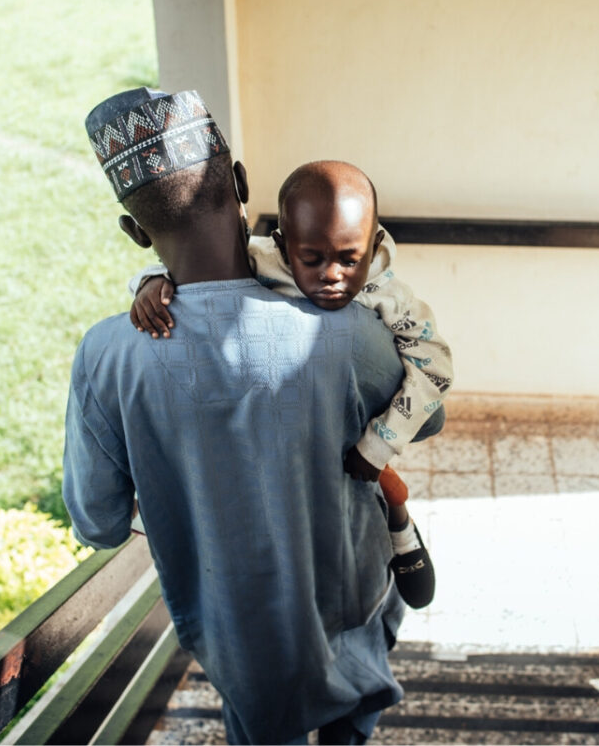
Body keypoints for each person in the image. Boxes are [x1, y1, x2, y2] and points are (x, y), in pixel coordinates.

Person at [63, 87, 445, 745]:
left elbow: (98, 522)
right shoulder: (350, 330)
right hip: (353, 603)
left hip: (240, 637)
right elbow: (427, 417)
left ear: (134, 233)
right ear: (241, 184)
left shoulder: (109, 356)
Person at [127, 160, 453, 609]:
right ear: (284, 244)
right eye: (312, 259)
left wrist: (378, 445)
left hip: (357, 429)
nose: (332, 275)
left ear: (374, 244)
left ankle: (402, 530)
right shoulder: (259, 260)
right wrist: (151, 282)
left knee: (377, 488)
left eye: (349, 259)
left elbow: (434, 369)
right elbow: (194, 276)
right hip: (285, 418)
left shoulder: (390, 297)